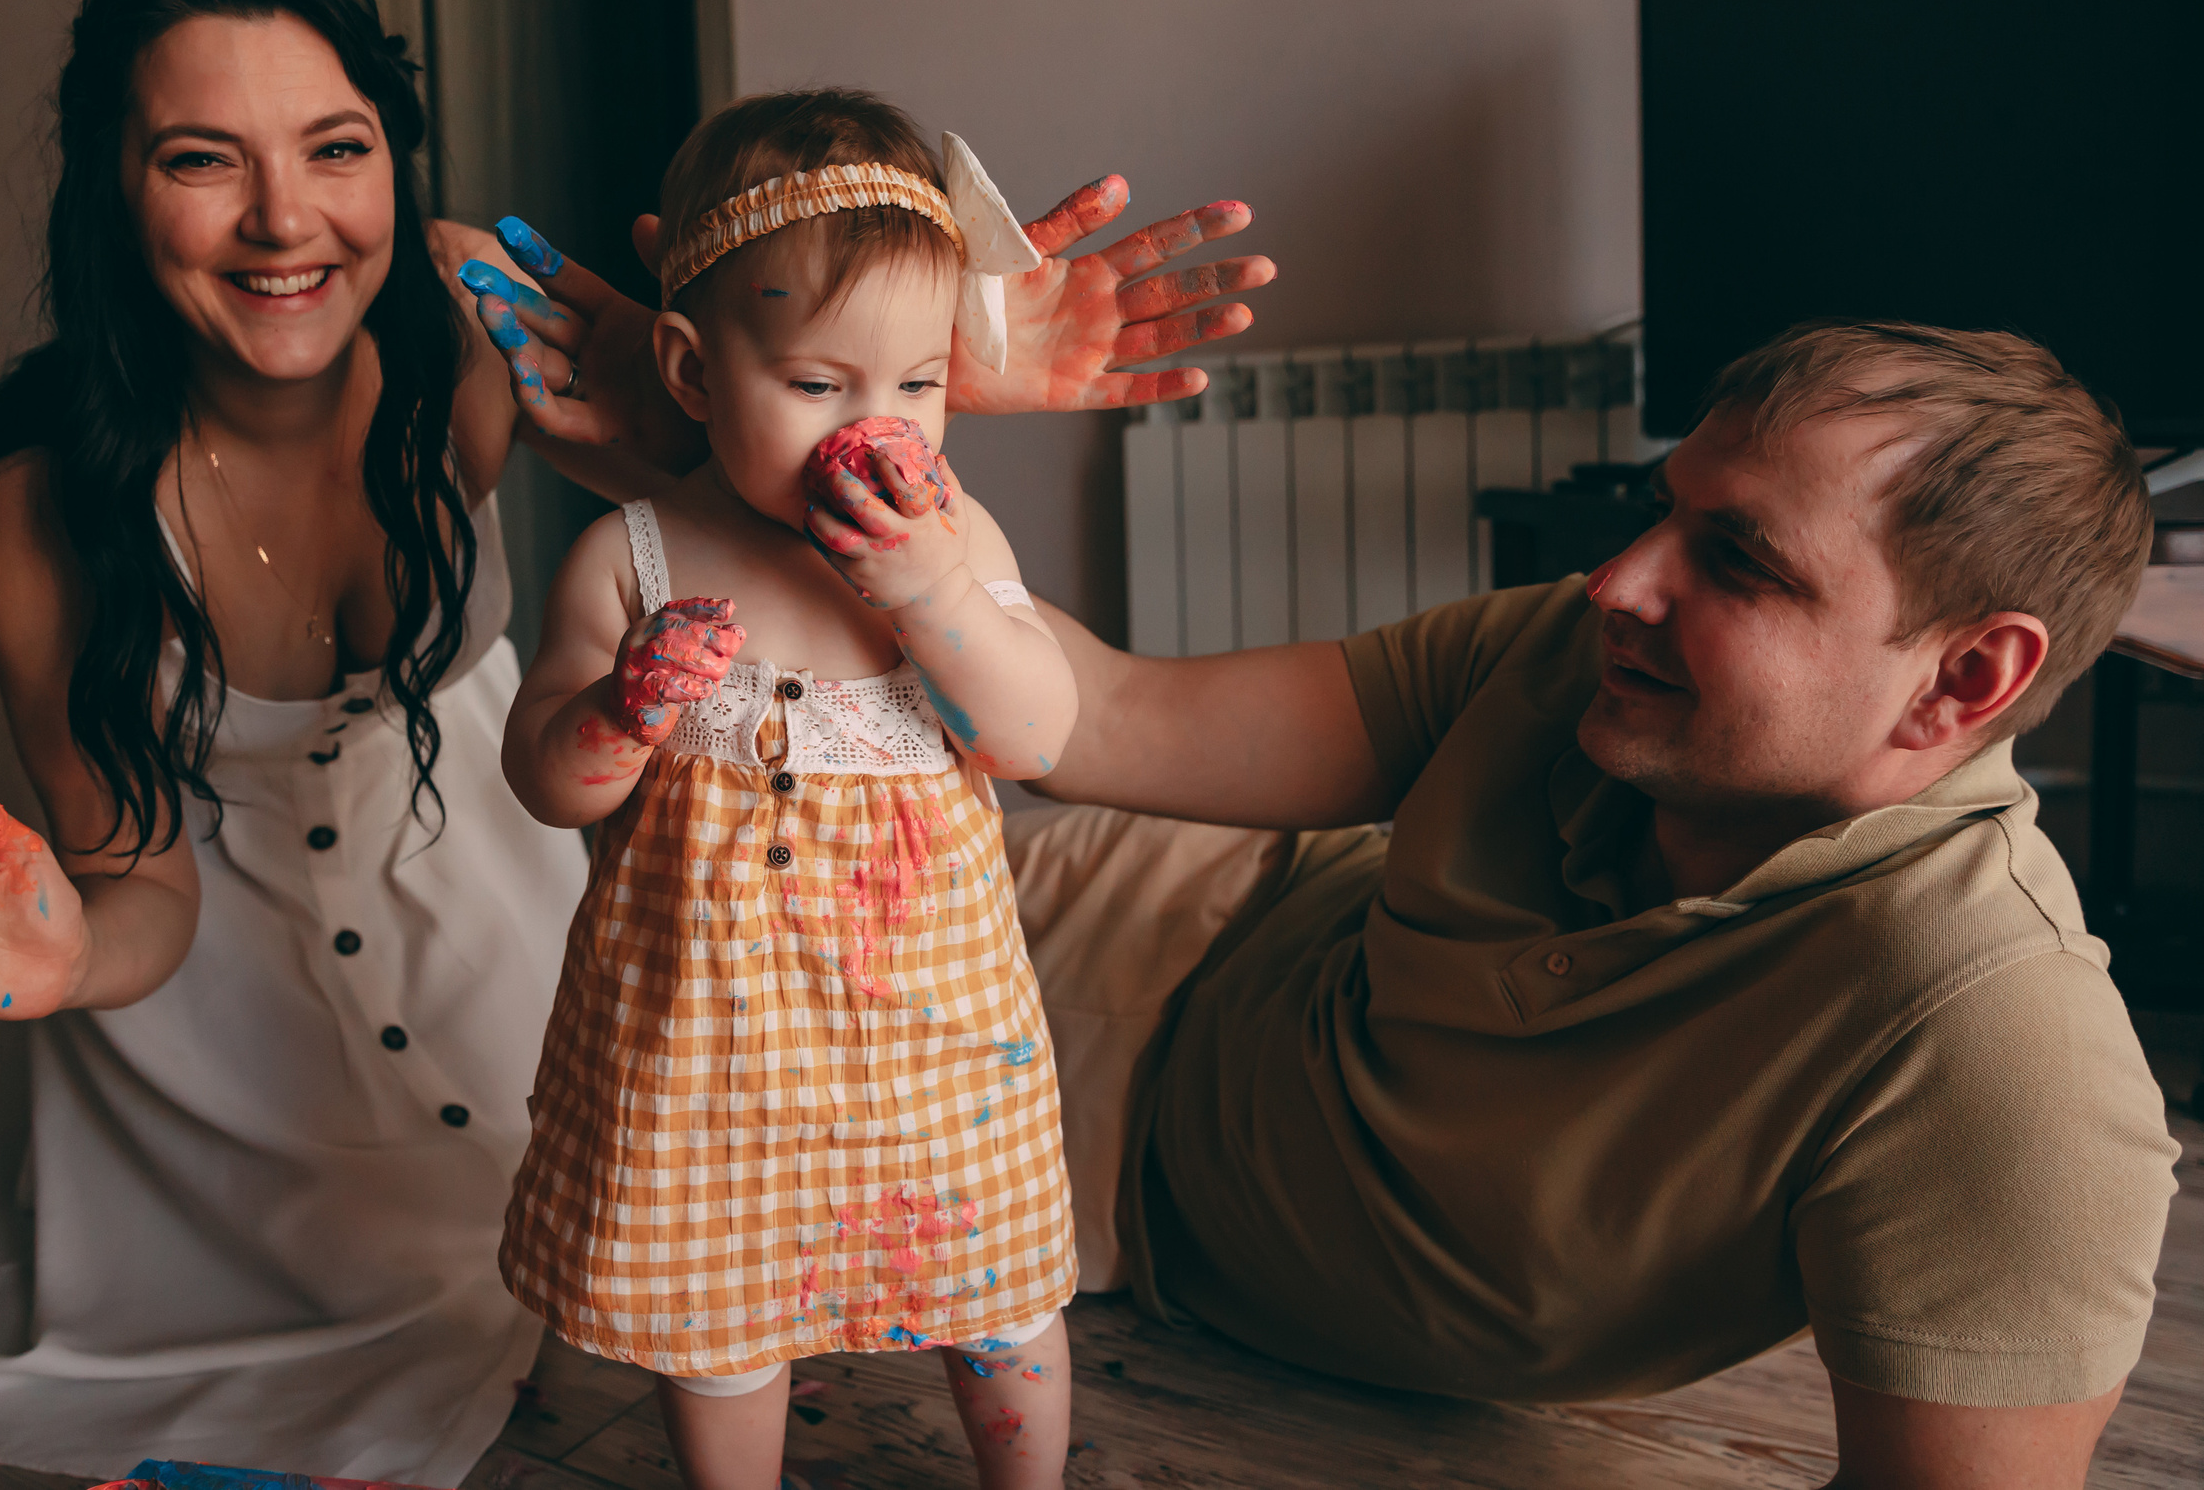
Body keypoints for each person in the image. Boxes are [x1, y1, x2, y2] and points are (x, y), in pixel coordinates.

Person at [0, 0, 1273, 1485]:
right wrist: (67, 952)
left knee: (701, 1262)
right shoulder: (46, 508)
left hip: (499, 944)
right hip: (210, 1032)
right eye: (202, 160)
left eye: (335, 147)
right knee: (474, 1324)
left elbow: (745, 465)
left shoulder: (468, 309)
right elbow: (144, 877)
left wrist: (923, 364)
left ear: (391, 155)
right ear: (110, 187)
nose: (285, 218)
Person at [506, 311, 2181, 1489]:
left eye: (1737, 561)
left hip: (1082, 1166)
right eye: (1662, 515)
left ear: (1967, 678)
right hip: (1134, 911)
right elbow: (1108, 721)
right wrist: (757, 486)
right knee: (532, 1015)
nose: (1618, 581)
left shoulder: (2004, 1057)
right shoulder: (1569, 655)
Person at [498, 89, 1084, 1489]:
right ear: (694, 372)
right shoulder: (631, 559)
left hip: (939, 1041)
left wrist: (934, 592)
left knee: (1001, 1302)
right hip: (710, 1048)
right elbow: (545, 781)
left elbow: (1034, 734)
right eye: (820, 386)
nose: (874, 431)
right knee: (720, 1327)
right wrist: (624, 707)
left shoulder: (956, 537)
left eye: (919, 385)